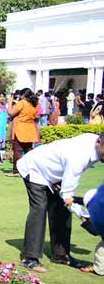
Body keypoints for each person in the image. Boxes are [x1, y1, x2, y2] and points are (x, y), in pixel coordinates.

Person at [17, 133, 104, 272]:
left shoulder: (96, 143)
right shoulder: (80, 155)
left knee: (61, 210)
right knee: (39, 209)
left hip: (54, 173)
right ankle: (30, 258)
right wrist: (83, 215)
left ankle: (61, 255)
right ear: (98, 142)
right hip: (35, 168)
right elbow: (68, 195)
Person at [8, 88, 41, 178]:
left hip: (20, 129)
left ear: (23, 95)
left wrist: (10, 102)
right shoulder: (35, 103)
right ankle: (29, 170)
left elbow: (10, 113)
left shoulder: (22, 103)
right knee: (28, 151)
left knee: (17, 151)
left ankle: (16, 171)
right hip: (30, 129)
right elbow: (37, 115)